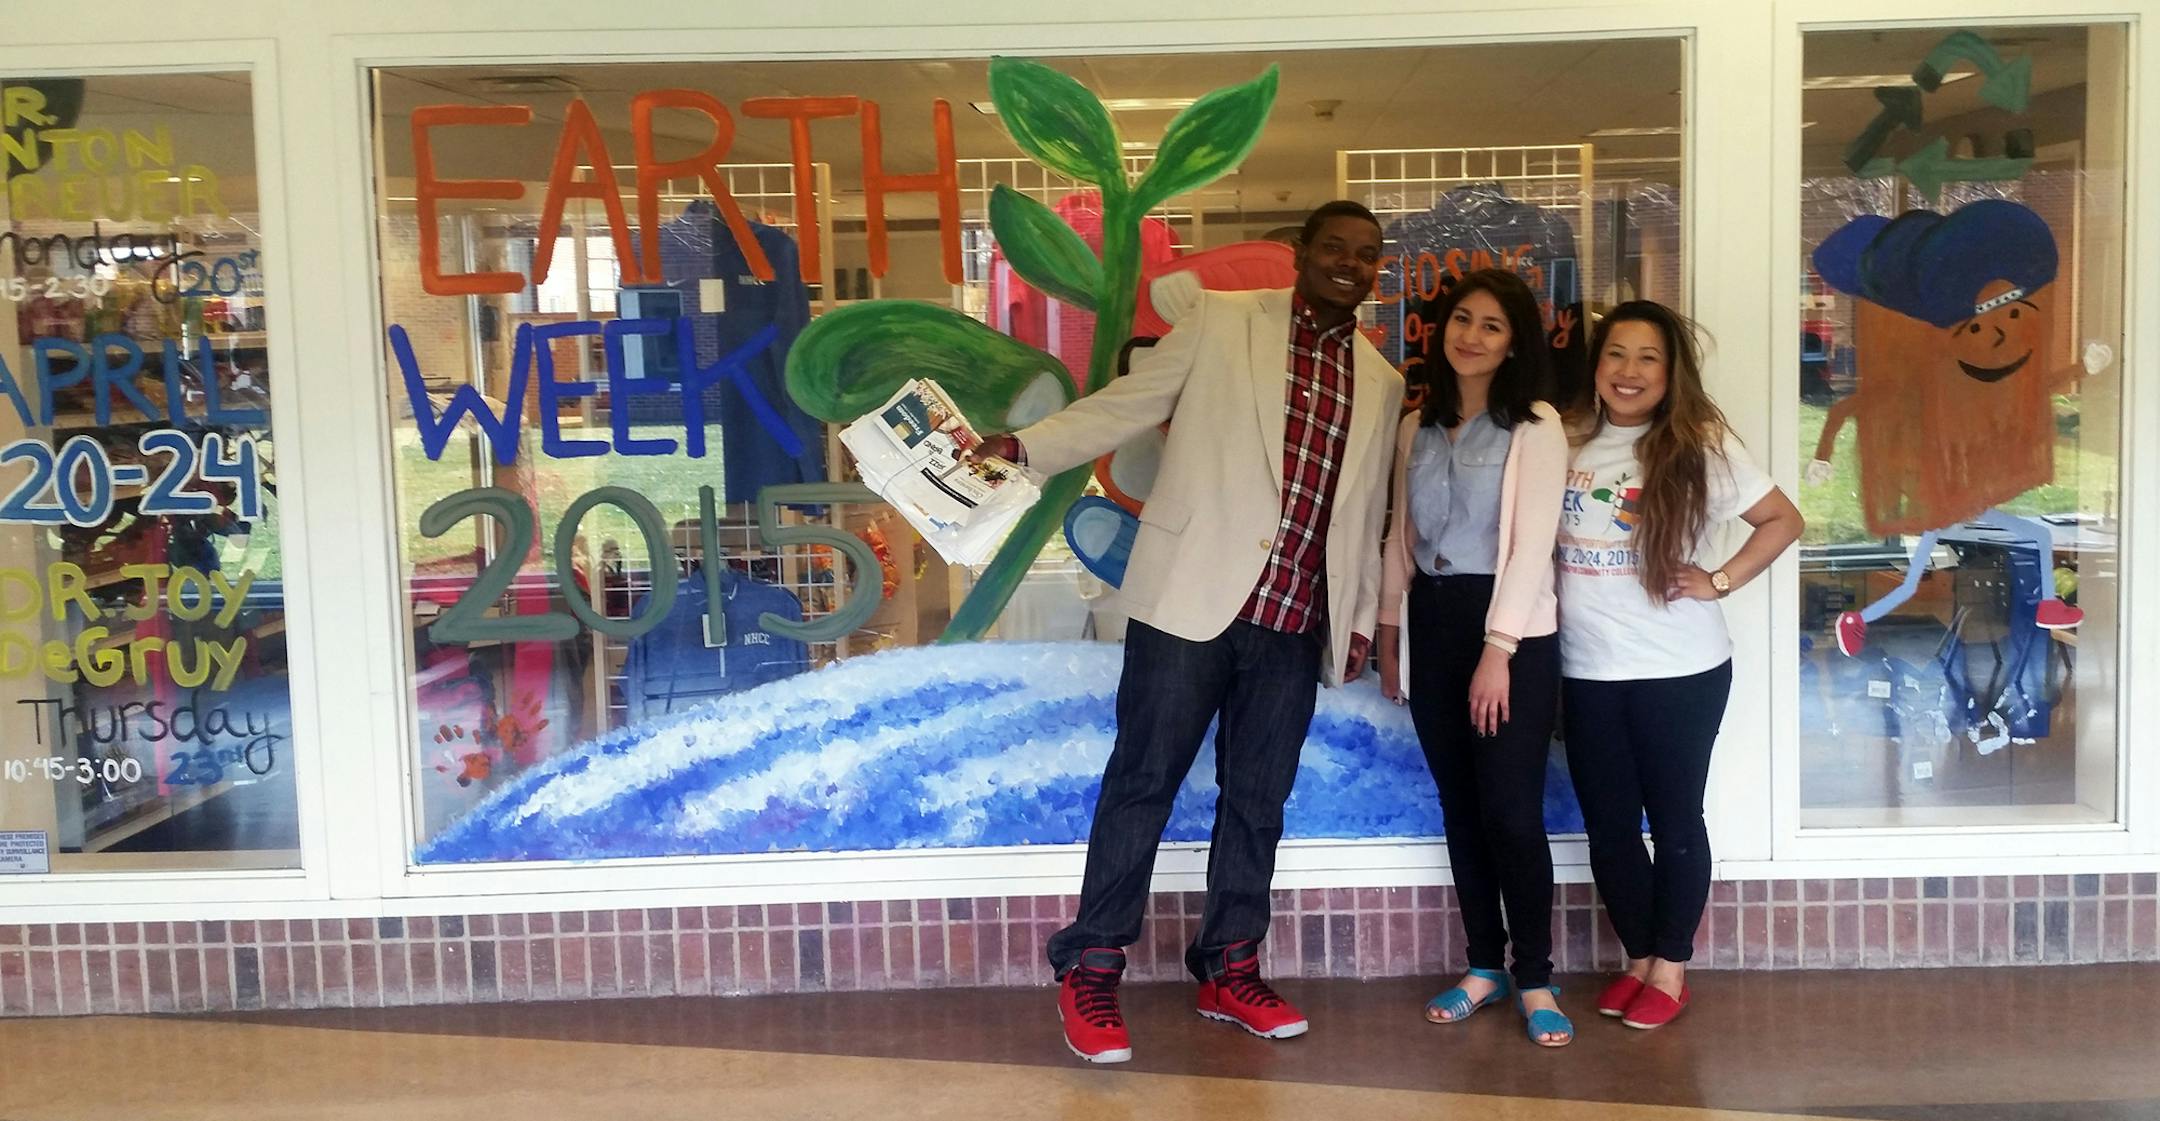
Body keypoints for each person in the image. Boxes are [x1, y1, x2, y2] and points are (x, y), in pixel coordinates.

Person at [976, 201, 1404, 1064]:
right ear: (1301, 254)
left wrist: (1355, 619)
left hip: (1291, 622)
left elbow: (1358, 516)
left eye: (1366, 254)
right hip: (1187, 606)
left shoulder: (1381, 379)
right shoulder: (1222, 321)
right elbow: (1126, 404)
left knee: (1257, 803)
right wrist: (1025, 449)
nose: (1350, 264)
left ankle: (1230, 964)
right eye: (1335, 248)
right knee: (1143, 781)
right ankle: (1091, 964)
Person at [1554, 301, 1803, 1030]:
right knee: (1608, 826)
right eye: (1616, 355)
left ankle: (1671, 964)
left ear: (1671, 372)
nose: (1629, 372)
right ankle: (1636, 958)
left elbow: (1784, 519)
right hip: (1586, 668)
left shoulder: (1699, 441)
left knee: (1673, 817)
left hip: (1681, 669)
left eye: (1648, 358)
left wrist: (1717, 579)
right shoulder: (1567, 438)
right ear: (1595, 365)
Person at [1374, 269, 1572, 1047]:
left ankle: (1536, 975)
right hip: (1437, 619)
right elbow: (1401, 538)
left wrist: (1499, 652)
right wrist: (1391, 637)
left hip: (1512, 631)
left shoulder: (1537, 425)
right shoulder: (1414, 426)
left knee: (1511, 812)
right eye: (1462, 319)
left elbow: (1531, 550)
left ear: (1515, 341)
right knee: (1461, 808)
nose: (1472, 335)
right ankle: (1484, 964)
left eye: (1492, 325)